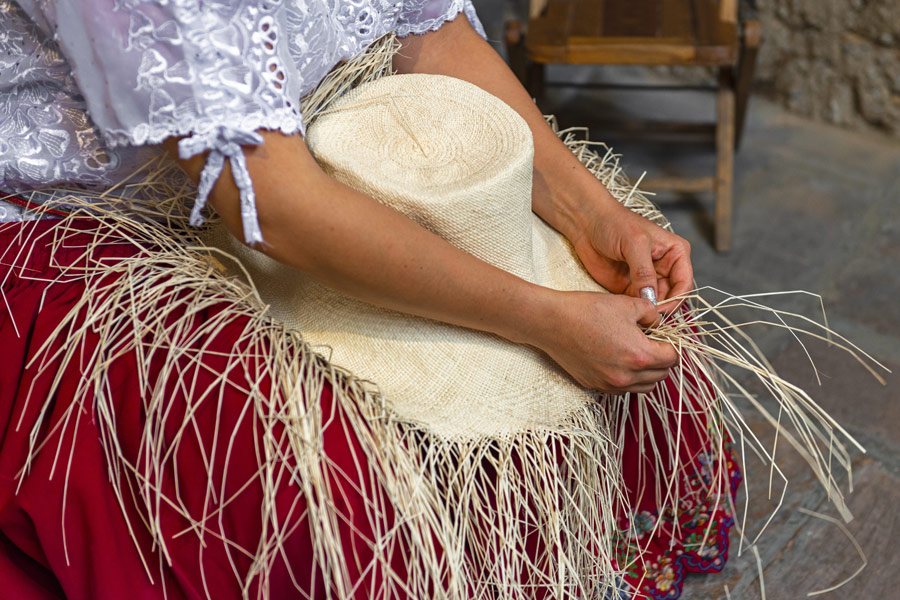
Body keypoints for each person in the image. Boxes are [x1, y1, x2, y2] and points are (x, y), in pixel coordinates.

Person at [1, 2, 735, 598]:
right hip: (106, 215)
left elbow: (427, 31)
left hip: (319, 139)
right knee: (325, 474)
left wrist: (589, 214)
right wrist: (545, 317)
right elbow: (276, 205)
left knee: (640, 332)